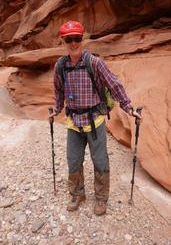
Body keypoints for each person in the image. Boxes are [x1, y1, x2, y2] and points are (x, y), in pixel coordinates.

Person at [50, 20, 141, 216]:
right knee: (73, 161)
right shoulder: (60, 66)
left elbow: (114, 85)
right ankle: (77, 194)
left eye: (76, 38)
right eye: (69, 39)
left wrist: (128, 107)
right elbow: (58, 91)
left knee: (100, 161)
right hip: (74, 123)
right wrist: (56, 109)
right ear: (63, 41)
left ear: (82, 39)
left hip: (95, 121)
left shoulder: (94, 63)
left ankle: (101, 198)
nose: (73, 43)